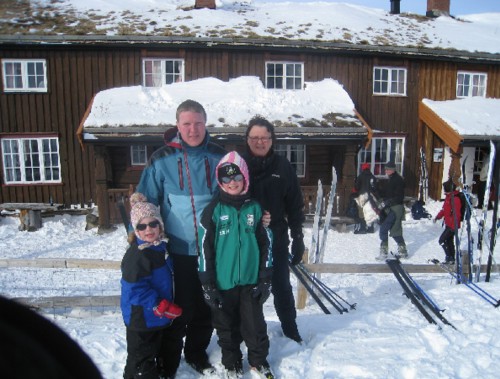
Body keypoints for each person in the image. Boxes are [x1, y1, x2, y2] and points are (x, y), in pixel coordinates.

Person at [136, 99, 226, 376]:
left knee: (207, 307)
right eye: (187, 123)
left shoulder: (219, 156)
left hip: (211, 248)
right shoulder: (161, 159)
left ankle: (197, 353)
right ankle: (168, 359)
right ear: (178, 125)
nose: (193, 129)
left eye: (198, 122)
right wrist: (138, 241)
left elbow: (234, 194)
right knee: (179, 308)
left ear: (205, 123)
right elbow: (145, 202)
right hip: (176, 249)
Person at [198, 151, 274, 379]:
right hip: (223, 283)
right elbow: (203, 250)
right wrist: (208, 285)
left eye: (237, 177)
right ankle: (231, 364)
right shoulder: (212, 211)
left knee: (255, 326)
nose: (232, 183)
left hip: (251, 282)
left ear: (245, 178)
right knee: (226, 328)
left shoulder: (256, 209)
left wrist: (265, 279)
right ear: (220, 182)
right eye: (226, 179)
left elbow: (266, 244)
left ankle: (258, 361)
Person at [242, 116, 305, 343]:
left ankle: (290, 329)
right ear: (247, 139)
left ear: (272, 140)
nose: (260, 142)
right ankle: (249, 333)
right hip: (246, 239)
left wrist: (298, 237)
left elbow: (295, 204)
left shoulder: (283, 166)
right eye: (255, 137)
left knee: (281, 286)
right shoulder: (239, 165)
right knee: (247, 290)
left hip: (276, 238)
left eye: (265, 137)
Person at [121, 193, 183, 379]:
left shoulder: (160, 247)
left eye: (153, 224)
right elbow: (134, 289)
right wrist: (159, 304)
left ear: (160, 226)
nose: (148, 229)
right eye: (142, 226)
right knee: (141, 359)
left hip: (158, 317)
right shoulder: (137, 256)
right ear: (136, 230)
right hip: (141, 318)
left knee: (159, 350)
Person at [376, 161, 408, 260]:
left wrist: (387, 202)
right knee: (395, 230)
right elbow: (386, 193)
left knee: (386, 229)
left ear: (393, 169)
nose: (386, 171)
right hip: (391, 208)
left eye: (388, 169)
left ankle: (384, 251)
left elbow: (399, 197)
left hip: (395, 208)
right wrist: (375, 188)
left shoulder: (398, 180)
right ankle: (402, 251)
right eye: (385, 169)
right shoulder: (391, 179)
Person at [434, 180, 462, 265]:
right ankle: (451, 259)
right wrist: (438, 216)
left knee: (442, 240)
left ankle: (449, 257)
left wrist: (454, 226)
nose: (443, 190)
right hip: (448, 224)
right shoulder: (449, 197)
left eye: (444, 188)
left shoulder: (455, 199)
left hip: (452, 225)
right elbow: (444, 210)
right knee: (449, 241)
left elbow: (457, 214)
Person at [353, 162, 378, 234]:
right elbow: (375, 188)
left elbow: (356, 187)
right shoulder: (372, 177)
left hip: (362, 196)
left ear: (363, 168)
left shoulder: (360, 176)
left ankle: (363, 228)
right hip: (371, 196)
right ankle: (370, 228)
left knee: (362, 212)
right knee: (370, 211)